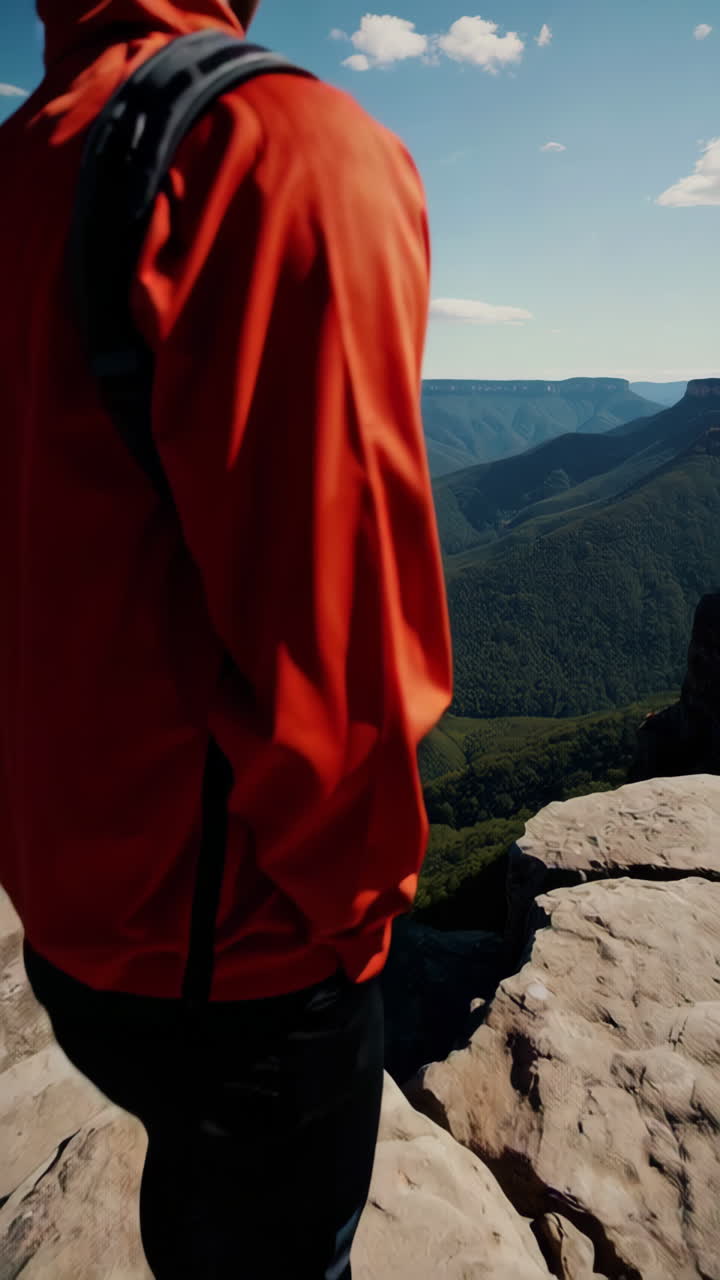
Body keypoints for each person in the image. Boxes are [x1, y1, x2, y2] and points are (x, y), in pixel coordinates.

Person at [0, 1, 453, 1276]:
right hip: (241, 953)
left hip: (68, 907)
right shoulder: (280, 150)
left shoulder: (23, 164)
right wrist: (356, 929)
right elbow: (339, 640)